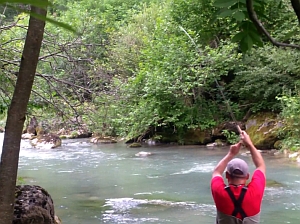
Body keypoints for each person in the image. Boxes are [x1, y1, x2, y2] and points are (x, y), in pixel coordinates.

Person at [211, 130, 266, 224]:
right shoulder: (255, 191)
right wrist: (249, 144)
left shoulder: (219, 192)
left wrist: (231, 154)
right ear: (247, 176)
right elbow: (260, 166)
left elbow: (216, 172)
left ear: (227, 175)